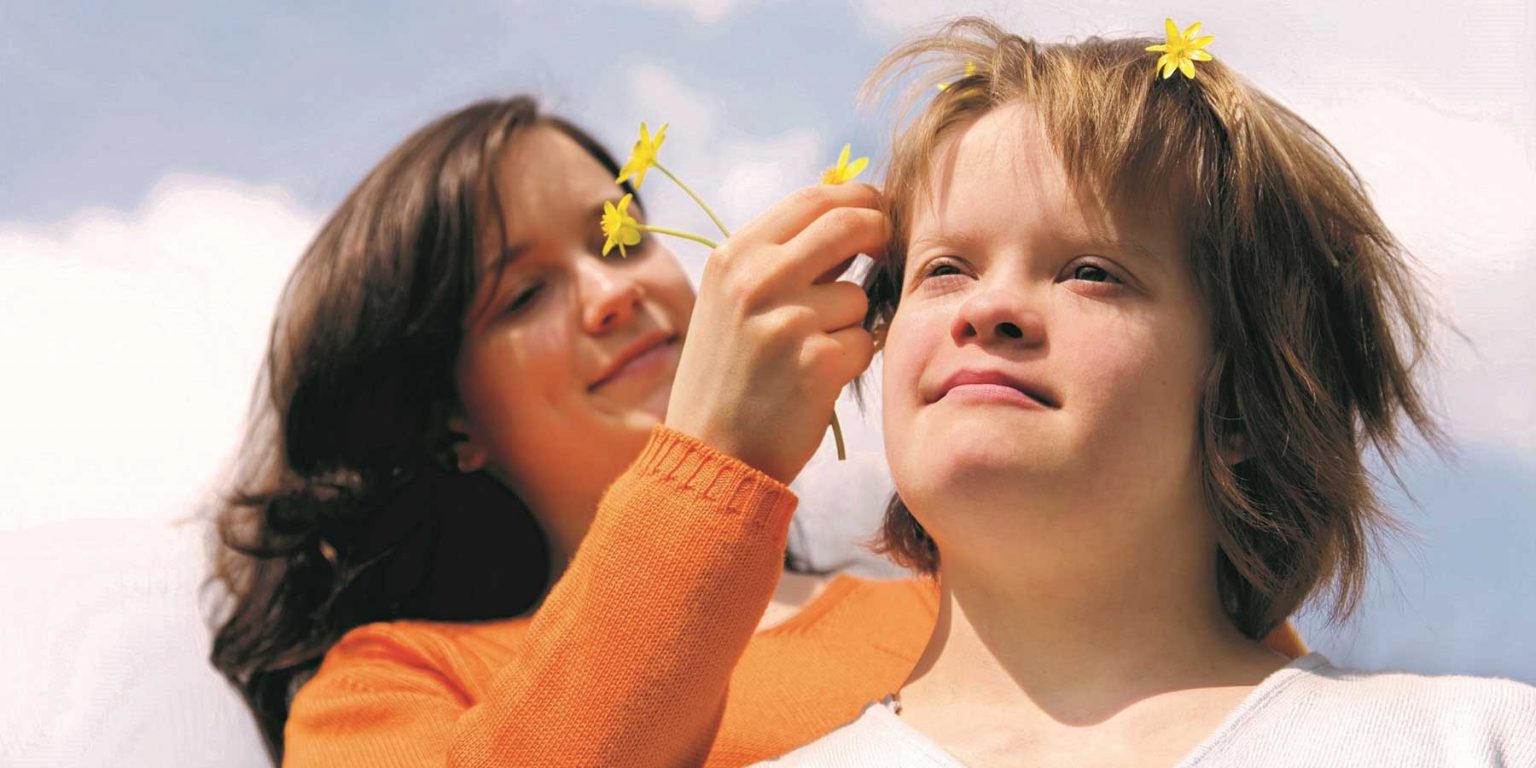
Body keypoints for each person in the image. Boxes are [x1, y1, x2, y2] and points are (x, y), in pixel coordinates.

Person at [207, 94, 1305, 767]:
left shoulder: (974, 597)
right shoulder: (394, 688)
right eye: (522, 297)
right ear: (452, 427)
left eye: (620, 235)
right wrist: (714, 469)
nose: (610, 292)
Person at [763, 18, 1536, 766]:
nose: (988, 307)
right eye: (945, 269)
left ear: (1242, 401)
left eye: (1092, 273)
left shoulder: (1476, 742)